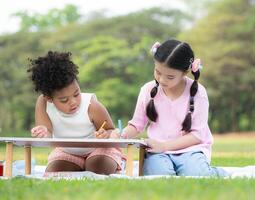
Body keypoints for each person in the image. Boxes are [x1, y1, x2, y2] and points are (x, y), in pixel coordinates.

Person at [114, 39, 227, 177]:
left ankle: (217, 173)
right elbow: (137, 125)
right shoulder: (148, 90)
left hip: (190, 149)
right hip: (157, 152)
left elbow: (197, 136)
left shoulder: (198, 92)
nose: (161, 80)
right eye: (158, 72)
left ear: (185, 72)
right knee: (159, 175)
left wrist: (165, 146)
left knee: (196, 174)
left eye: (170, 77)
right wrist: (121, 134)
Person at [27, 51, 123, 175]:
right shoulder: (43, 103)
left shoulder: (91, 105)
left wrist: (105, 134)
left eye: (76, 94)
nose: (73, 102)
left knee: (96, 170)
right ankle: (79, 165)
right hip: (66, 151)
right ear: (49, 98)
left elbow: (110, 130)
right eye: (64, 100)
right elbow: (48, 134)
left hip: (99, 150)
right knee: (54, 175)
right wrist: (43, 132)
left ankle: (108, 162)